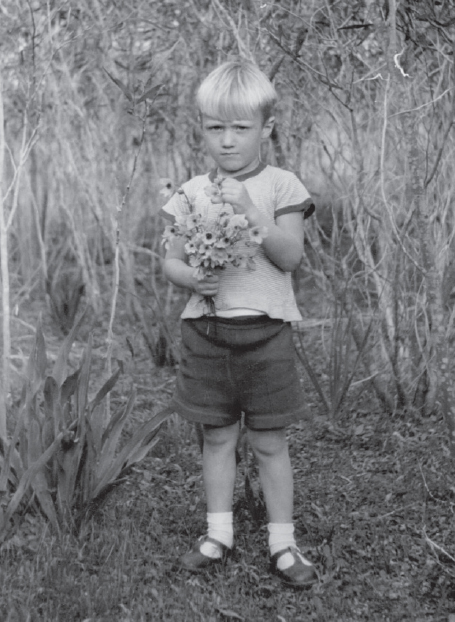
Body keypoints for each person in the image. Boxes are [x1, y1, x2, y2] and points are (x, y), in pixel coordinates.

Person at [160, 59, 317, 588]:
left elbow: (290, 256)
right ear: (202, 127)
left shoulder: (281, 184)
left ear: (266, 129)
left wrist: (251, 209)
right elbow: (172, 260)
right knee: (218, 437)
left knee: (271, 442)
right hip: (206, 335)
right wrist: (190, 280)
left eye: (241, 128)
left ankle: (282, 541)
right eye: (214, 127)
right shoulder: (189, 192)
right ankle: (218, 533)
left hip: (266, 336)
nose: (227, 141)